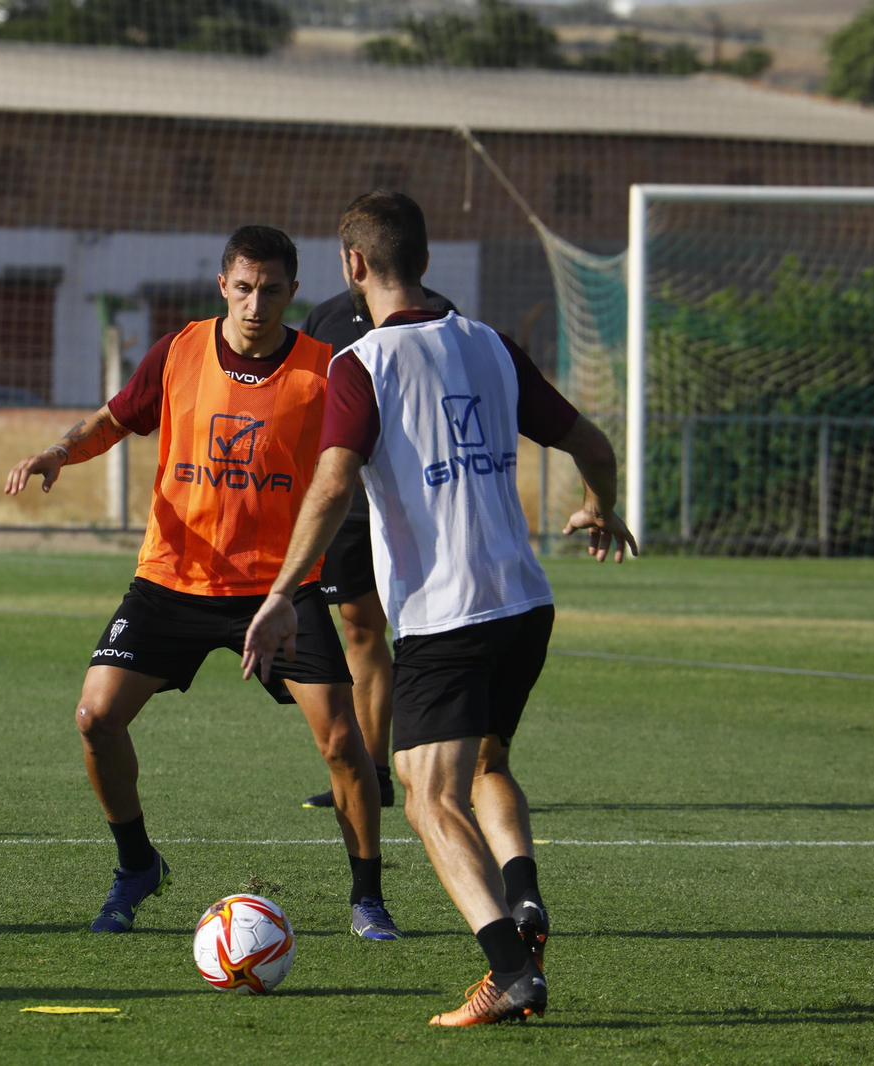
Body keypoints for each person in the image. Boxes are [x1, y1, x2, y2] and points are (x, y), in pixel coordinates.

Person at [242, 191, 635, 1025]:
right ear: (425, 260)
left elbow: (333, 485)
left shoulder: (362, 364)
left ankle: (511, 971)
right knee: (487, 764)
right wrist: (601, 507)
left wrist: (280, 595)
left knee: (426, 798)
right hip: (525, 603)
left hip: (448, 616)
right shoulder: (491, 344)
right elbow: (593, 445)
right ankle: (522, 896)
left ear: (353, 265)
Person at [4, 225, 401, 941]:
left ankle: (368, 898)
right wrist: (60, 450)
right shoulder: (180, 350)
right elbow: (116, 418)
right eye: (243, 288)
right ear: (223, 285)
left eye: (271, 291)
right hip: (172, 580)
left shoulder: (326, 369)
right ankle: (137, 865)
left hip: (279, 590)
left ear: (293, 292)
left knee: (344, 742)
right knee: (95, 717)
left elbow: (366, 463)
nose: (256, 305)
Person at [297, 284, 458, 811]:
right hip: (351, 507)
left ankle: (466, 770)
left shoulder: (439, 316)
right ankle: (374, 773)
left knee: (439, 630)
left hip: (419, 503)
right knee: (360, 630)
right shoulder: (325, 318)